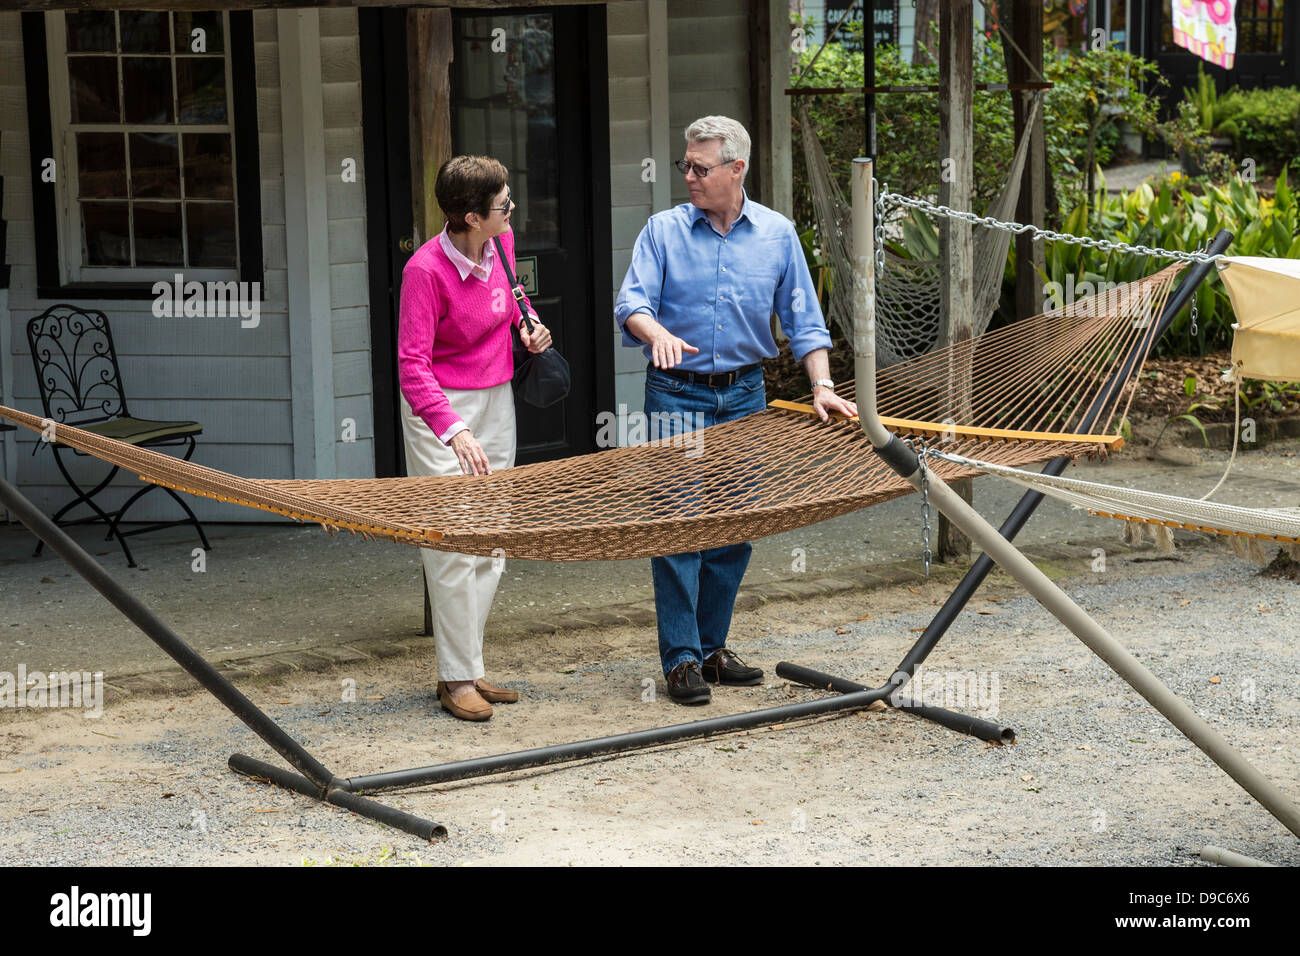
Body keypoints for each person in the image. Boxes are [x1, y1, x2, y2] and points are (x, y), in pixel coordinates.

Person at [615, 116, 857, 705]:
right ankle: (681, 660)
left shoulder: (777, 235)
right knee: (678, 525)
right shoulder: (662, 230)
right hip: (676, 391)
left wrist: (822, 384)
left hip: (746, 394)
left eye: (701, 168)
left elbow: (804, 321)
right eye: (686, 166)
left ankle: (712, 646)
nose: (690, 178)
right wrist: (656, 334)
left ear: (736, 169)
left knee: (736, 526)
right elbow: (631, 303)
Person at [398, 155, 552, 721]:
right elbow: (411, 365)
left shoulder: (501, 245)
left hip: (497, 398)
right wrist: (452, 428)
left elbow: (515, 301)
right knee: (451, 542)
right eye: (502, 205)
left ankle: (471, 666)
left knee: (492, 537)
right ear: (470, 217)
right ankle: (454, 678)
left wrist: (528, 327)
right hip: (441, 409)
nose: (511, 210)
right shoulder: (425, 271)